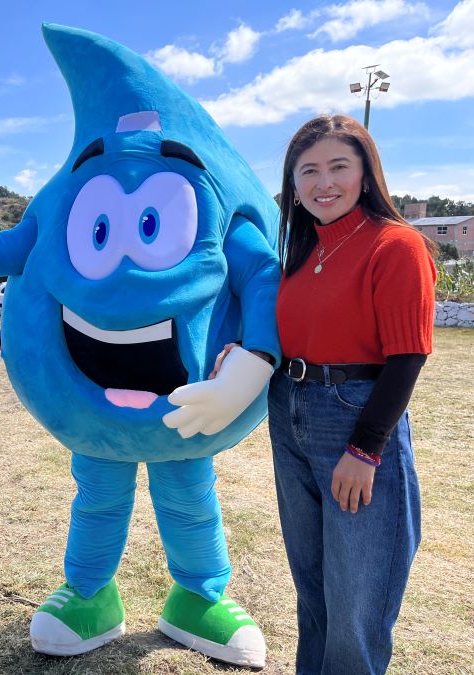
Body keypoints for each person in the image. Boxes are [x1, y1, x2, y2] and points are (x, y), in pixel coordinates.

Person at [215, 114, 436, 674]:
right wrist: (238, 351)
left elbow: (407, 357)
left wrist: (366, 449)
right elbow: (289, 331)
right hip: (289, 412)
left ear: (366, 173)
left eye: (339, 166)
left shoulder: (397, 245)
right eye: (307, 171)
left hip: (355, 417)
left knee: (357, 599)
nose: (323, 182)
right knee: (312, 589)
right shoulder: (303, 253)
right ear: (293, 184)